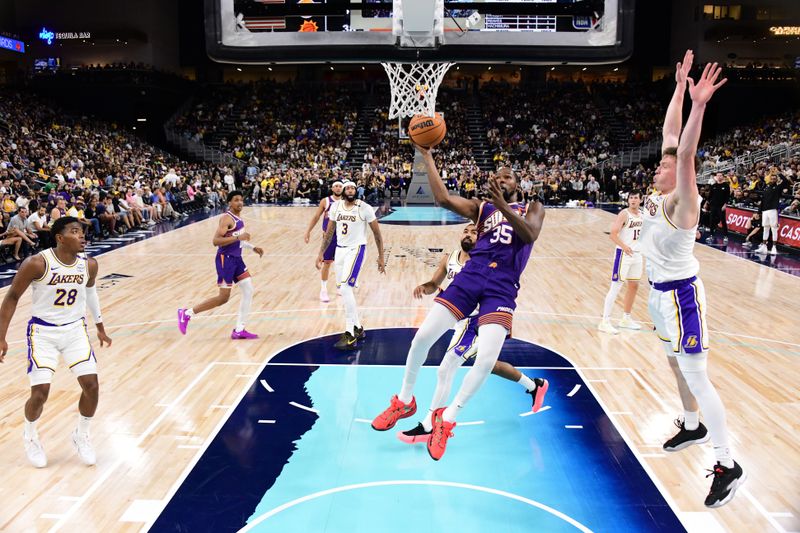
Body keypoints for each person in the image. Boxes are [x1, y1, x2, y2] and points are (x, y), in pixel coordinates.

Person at [372, 145, 545, 462]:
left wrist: (503, 205)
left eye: (506, 176)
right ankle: (405, 400)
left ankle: (447, 419)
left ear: (517, 184)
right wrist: (426, 157)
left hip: (503, 284)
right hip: (472, 274)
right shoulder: (483, 208)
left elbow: (530, 235)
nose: (500, 179)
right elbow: (444, 199)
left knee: (484, 360)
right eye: (497, 176)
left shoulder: (532, 207)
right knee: (423, 337)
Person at [641, 52, 744, 507]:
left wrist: (699, 104)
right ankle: (691, 424)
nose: (658, 166)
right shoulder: (658, 191)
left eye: (666, 166)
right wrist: (679, 88)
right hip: (657, 296)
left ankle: (727, 462)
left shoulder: (685, 201)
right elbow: (669, 136)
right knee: (673, 366)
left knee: (699, 378)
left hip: (683, 298)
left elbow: (682, 150)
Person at [398, 223, 548, 444]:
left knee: (447, 367)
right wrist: (425, 287)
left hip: (479, 321)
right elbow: (434, 283)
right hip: (459, 320)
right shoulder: (450, 258)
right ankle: (534, 385)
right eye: (466, 231)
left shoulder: (488, 261)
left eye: (474, 232)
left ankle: (429, 425)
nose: (468, 235)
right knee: (489, 365)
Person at [0, 216, 112, 468]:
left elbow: (91, 293)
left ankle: (81, 434)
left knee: (92, 386)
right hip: (43, 332)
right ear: (60, 238)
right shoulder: (37, 263)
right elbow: (12, 297)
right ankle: (30, 434)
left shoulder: (89, 265)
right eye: (75, 231)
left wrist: (100, 327)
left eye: (83, 232)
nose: (82, 236)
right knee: (40, 394)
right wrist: (1, 336)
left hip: (75, 331)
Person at [178, 190, 264, 339]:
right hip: (225, 260)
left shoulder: (239, 219)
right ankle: (186, 313)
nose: (240, 203)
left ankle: (239, 329)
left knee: (248, 290)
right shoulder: (226, 219)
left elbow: (239, 240)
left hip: (237, 260)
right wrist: (238, 238)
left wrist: (252, 247)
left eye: (241, 200)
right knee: (223, 298)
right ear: (229, 202)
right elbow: (216, 241)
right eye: (236, 200)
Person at [316, 181, 385, 350]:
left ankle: (349, 334)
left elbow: (377, 234)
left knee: (346, 288)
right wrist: (321, 252)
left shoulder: (364, 208)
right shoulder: (336, 207)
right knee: (343, 288)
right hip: (340, 251)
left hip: (356, 249)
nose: (350, 190)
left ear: (356, 191)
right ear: (344, 191)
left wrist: (381, 257)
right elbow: (330, 232)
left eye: (353, 188)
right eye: (348, 188)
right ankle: (358, 327)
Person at [599, 190, 644, 334]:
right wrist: (625, 247)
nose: (633, 200)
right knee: (616, 287)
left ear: (640, 200)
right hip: (623, 254)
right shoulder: (624, 214)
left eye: (636, 198)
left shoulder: (642, 215)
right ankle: (605, 321)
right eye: (631, 198)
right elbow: (613, 234)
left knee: (634, 286)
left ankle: (626, 318)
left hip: (637, 255)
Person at [304, 180, 343, 302]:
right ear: (332, 188)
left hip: (343, 237)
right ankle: (324, 290)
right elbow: (316, 217)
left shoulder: (346, 202)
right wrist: (308, 231)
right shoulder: (326, 201)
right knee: (326, 263)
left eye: (340, 186)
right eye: (336, 186)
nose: (338, 188)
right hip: (329, 237)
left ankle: (339, 286)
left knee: (341, 264)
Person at [704, 173, 730, 244]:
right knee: (711, 220)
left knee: (723, 221)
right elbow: (710, 196)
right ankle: (711, 235)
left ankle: (725, 236)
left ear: (723, 176)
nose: (719, 177)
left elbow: (728, 196)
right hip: (713, 206)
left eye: (720, 175)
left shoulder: (726, 185)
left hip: (721, 206)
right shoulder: (714, 185)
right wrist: (706, 203)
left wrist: (725, 204)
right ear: (716, 177)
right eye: (718, 175)